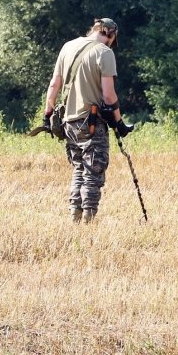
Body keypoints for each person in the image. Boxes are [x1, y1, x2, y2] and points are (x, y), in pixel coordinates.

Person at [42, 18, 134, 223]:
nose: (111, 43)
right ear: (110, 34)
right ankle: (88, 220)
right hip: (91, 121)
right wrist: (119, 123)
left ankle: (75, 215)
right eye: (112, 39)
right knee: (94, 169)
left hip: (68, 121)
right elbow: (109, 96)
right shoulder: (104, 52)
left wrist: (47, 114)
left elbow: (54, 85)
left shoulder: (68, 46)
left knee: (79, 168)